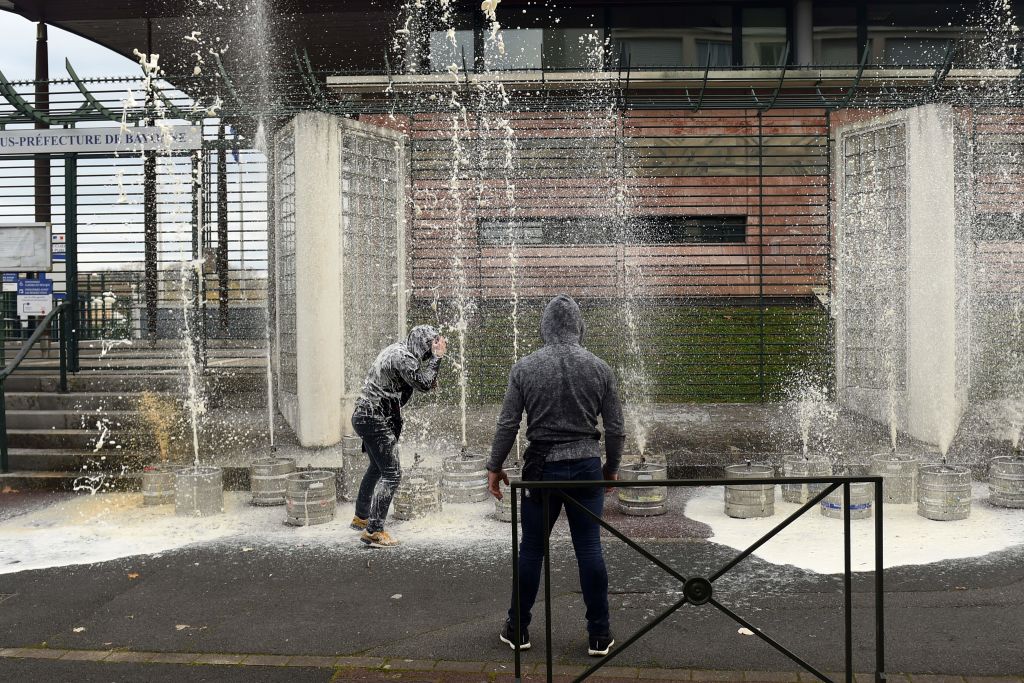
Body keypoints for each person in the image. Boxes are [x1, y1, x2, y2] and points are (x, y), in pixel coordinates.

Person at [486, 294, 625, 657]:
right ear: (579, 327)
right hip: (585, 469)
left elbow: (508, 423)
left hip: (541, 471)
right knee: (590, 549)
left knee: (532, 550)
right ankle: (599, 634)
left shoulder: (526, 368)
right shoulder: (599, 367)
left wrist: (494, 466)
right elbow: (615, 428)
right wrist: (610, 468)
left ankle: (518, 630)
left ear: (545, 327)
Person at [351, 325, 446, 548]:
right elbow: (422, 383)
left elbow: (413, 382)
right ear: (421, 344)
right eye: (426, 350)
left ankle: (361, 517)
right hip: (374, 417)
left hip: (364, 415)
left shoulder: (397, 350)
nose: (425, 356)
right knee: (392, 474)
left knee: (376, 468)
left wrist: (427, 376)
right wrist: (437, 358)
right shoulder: (404, 357)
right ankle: (373, 530)